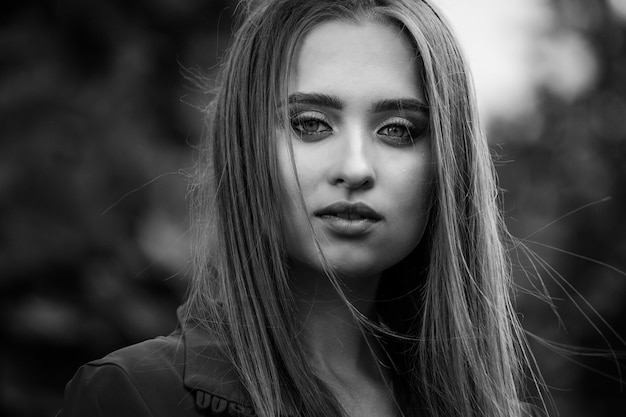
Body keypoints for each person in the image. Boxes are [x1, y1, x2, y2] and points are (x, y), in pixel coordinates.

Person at [59, 0, 545, 416]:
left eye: (398, 129)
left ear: (447, 164)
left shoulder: (493, 406)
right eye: (311, 124)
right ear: (246, 149)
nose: (355, 168)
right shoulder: (134, 396)